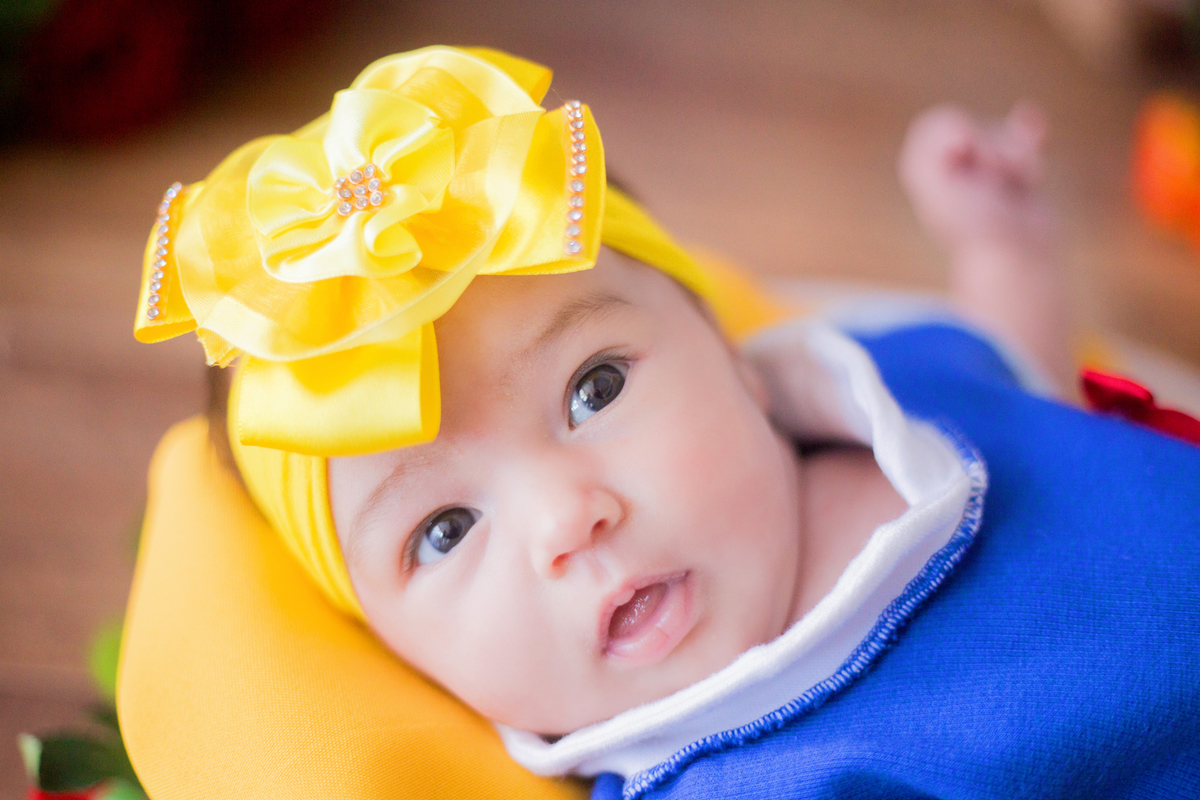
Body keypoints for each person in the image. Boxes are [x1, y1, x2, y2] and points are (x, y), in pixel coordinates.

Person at [119, 46, 1200, 799]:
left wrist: (1001, 248)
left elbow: (1021, 383)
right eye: (445, 530)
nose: (568, 519)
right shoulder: (740, 781)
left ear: (727, 351)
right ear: (405, 662)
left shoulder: (884, 379)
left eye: (594, 388)